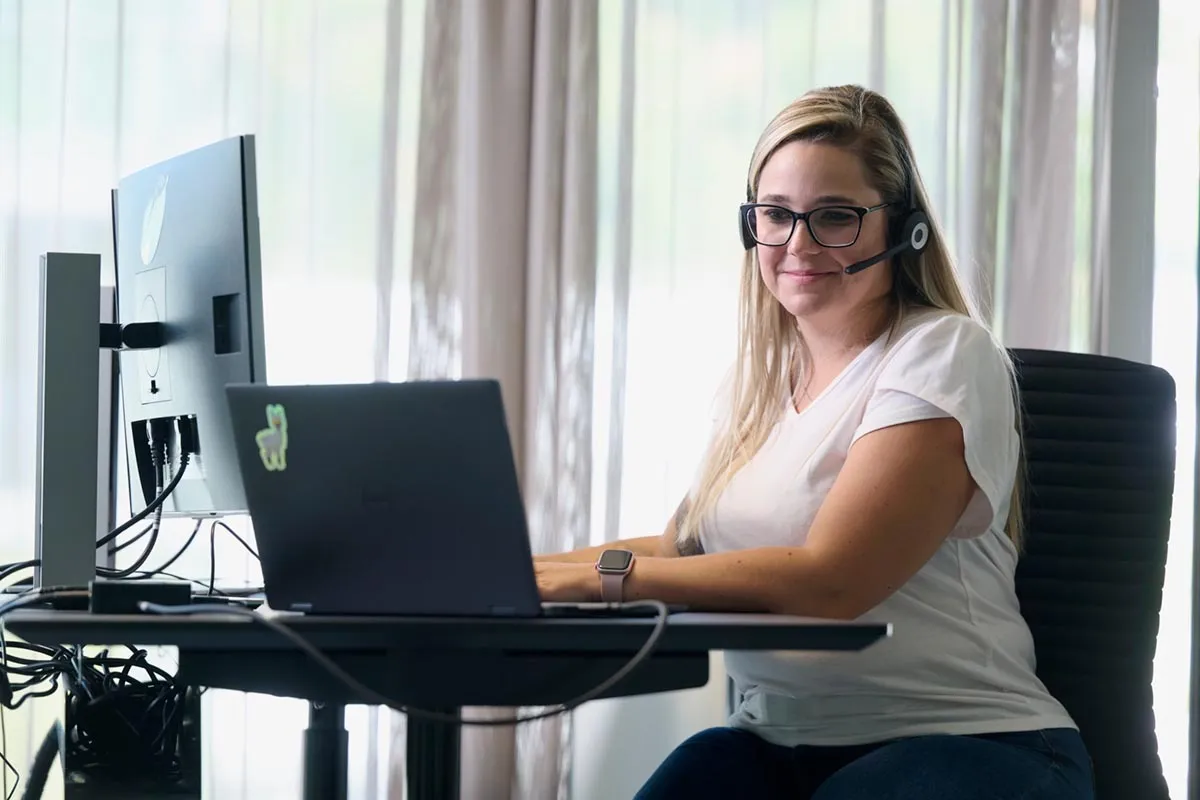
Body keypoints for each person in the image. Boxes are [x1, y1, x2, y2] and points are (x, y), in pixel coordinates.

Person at [533, 84, 1095, 799]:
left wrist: (603, 582)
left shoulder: (941, 353)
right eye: (775, 216)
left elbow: (835, 580)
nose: (797, 245)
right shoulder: (761, 384)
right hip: (774, 744)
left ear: (903, 228)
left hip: (966, 740)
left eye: (834, 217)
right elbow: (684, 548)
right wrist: (518, 577)